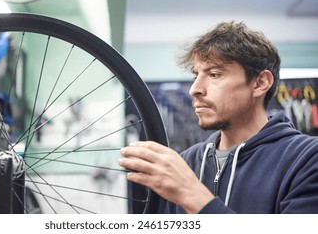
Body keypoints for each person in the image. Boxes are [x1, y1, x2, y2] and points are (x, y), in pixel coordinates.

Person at [118, 21, 318, 214]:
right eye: (195, 75)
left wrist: (192, 195)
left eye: (214, 74)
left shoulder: (307, 158)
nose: (194, 89)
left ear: (260, 83)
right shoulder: (186, 162)